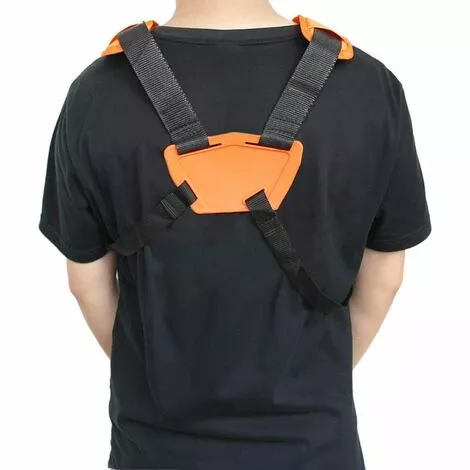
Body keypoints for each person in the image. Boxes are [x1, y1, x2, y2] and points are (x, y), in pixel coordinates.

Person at [38, 1, 431, 469]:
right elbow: (385, 277)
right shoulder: (368, 87)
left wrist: (154, 381)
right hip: (315, 447)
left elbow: (86, 282)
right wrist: (316, 382)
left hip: (156, 449)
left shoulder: (97, 93)